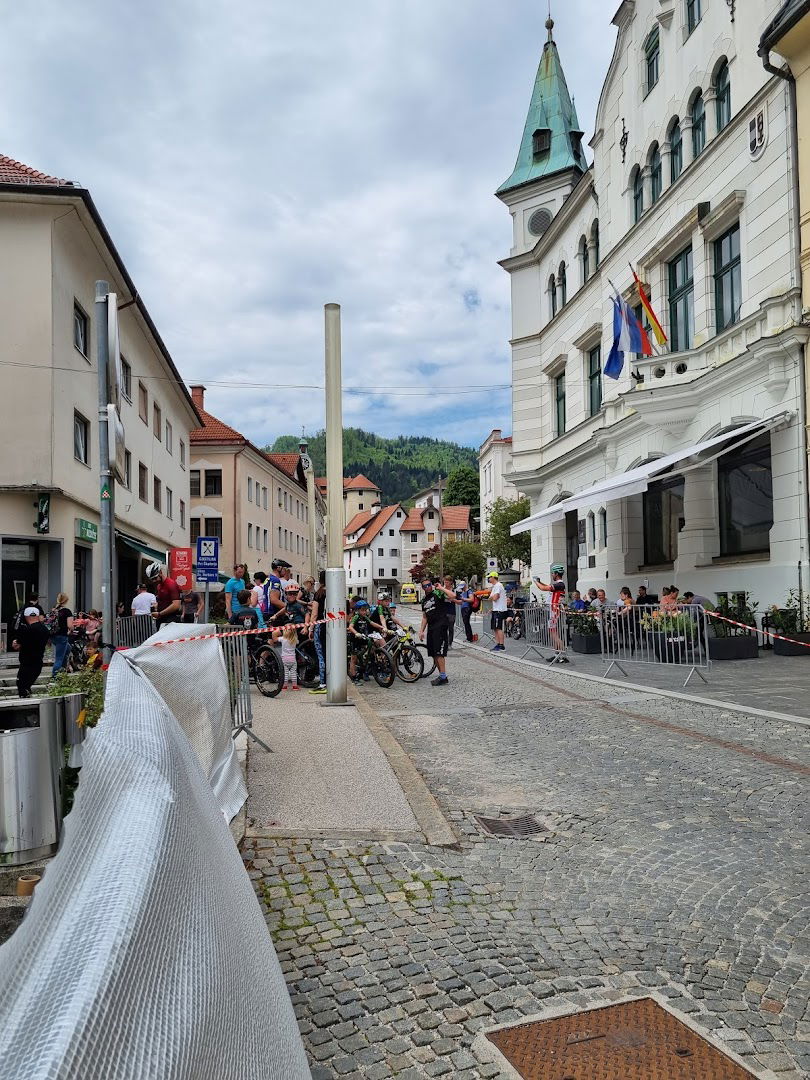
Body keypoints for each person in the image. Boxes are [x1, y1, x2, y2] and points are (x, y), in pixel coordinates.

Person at [418, 577, 458, 687]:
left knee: (439, 652)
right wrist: (421, 630)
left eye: (429, 584)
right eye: (425, 586)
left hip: (440, 626)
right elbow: (425, 617)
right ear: (422, 588)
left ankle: (443, 676)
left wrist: (441, 588)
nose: (428, 587)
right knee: (433, 652)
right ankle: (441, 675)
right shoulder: (424, 600)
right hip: (431, 627)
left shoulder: (438, 593)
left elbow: (453, 596)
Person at [533, 565, 568, 662]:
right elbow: (546, 586)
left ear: (556, 574)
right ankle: (556, 654)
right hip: (553, 610)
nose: (552, 575)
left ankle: (563, 655)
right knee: (553, 633)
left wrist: (536, 581)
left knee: (554, 634)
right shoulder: (558, 584)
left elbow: (543, 588)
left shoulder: (560, 584)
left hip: (554, 611)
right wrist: (539, 582)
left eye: (553, 573)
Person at [13, 607, 50, 697]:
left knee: (21, 685)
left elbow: (16, 645)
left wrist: (16, 642)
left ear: (25, 616)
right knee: (27, 685)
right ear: (37, 615)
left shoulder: (26, 630)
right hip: (38, 662)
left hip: (26, 662)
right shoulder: (45, 629)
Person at [309, 571, 327, 694]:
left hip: (320, 626)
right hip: (334, 627)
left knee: (321, 655)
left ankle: (322, 683)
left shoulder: (319, 593)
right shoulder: (336, 591)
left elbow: (314, 614)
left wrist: (311, 628)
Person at [49, 592, 74, 677]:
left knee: (68, 648)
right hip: (62, 635)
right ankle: (55, 676)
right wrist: (71, 630)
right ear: (66, 600)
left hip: (53, 635)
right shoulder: (67, 611)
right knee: (59, 657)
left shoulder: (54, 610)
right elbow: (70, 625)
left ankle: (63, 670)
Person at [485, 571, 508, 652]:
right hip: (496, 609)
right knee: (495, 628)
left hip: (499, 610)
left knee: (498, 628)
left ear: (493, 577)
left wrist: (492, 597)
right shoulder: (495, 586)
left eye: (489, 577)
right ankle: (498, 644)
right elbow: (490, 597)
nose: (488, 579)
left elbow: (495, 597)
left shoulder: (498, 585)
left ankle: (501, 645)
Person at [280, 625, 300, 690]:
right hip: (293, 660)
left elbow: (275, 638)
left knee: (285, 673)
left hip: (284, 659)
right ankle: (295, 686)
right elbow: (298, 642)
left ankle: (284, 686)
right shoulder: (295, 640)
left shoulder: (282, 639)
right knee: (293, 672)